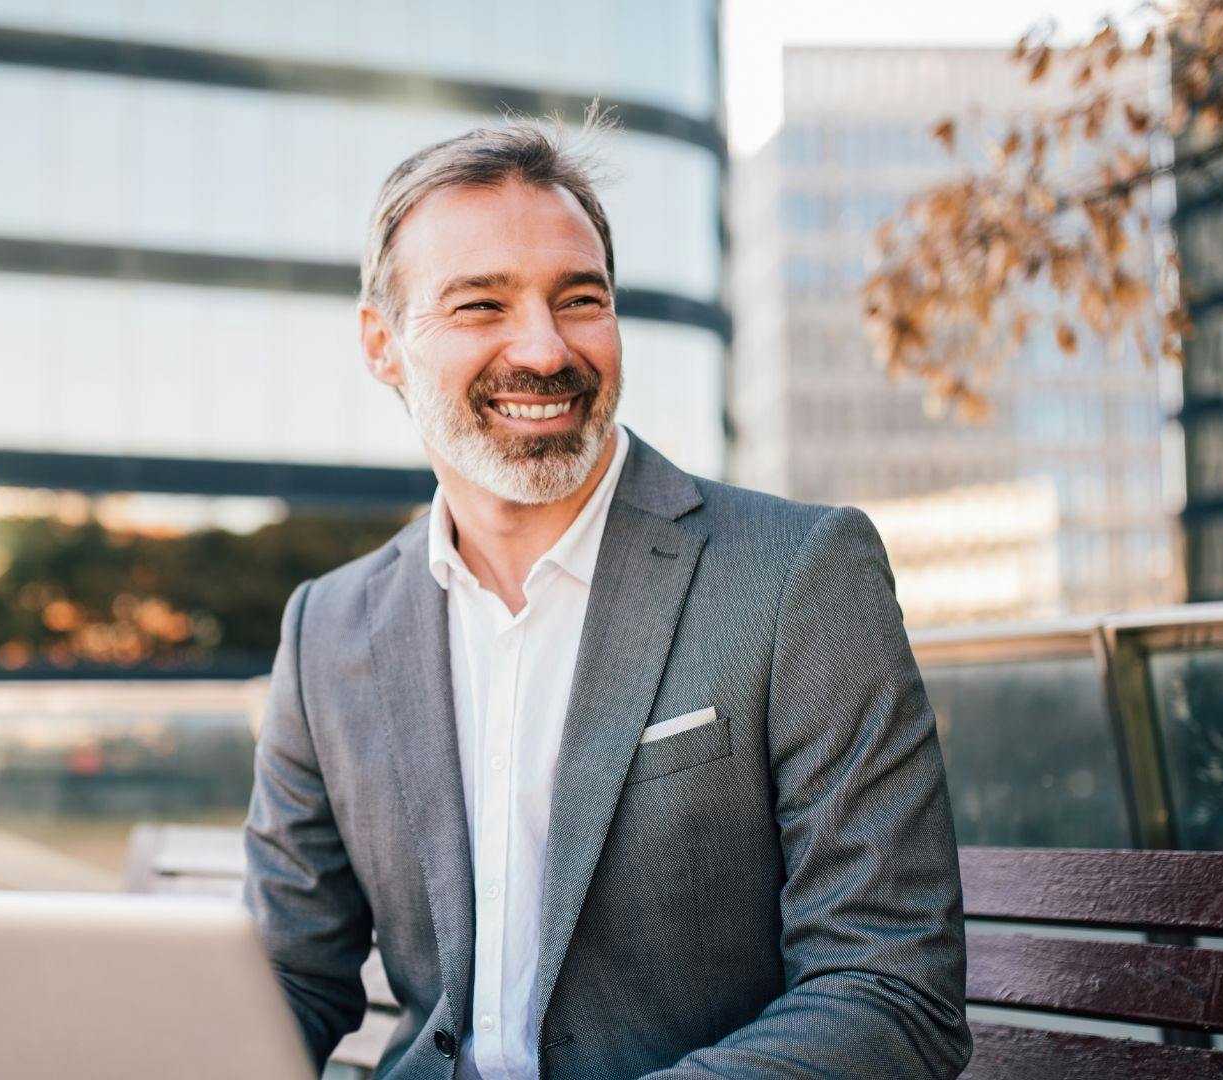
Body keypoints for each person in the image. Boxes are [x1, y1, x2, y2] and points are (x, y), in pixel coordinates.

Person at [244, 119, 970, 1080]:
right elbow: (290, 978)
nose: (544, 350)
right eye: (481, 306)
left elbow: (892, 989)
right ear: (383, 343)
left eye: (579, 299)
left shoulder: (800, 574)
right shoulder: (327, 629)